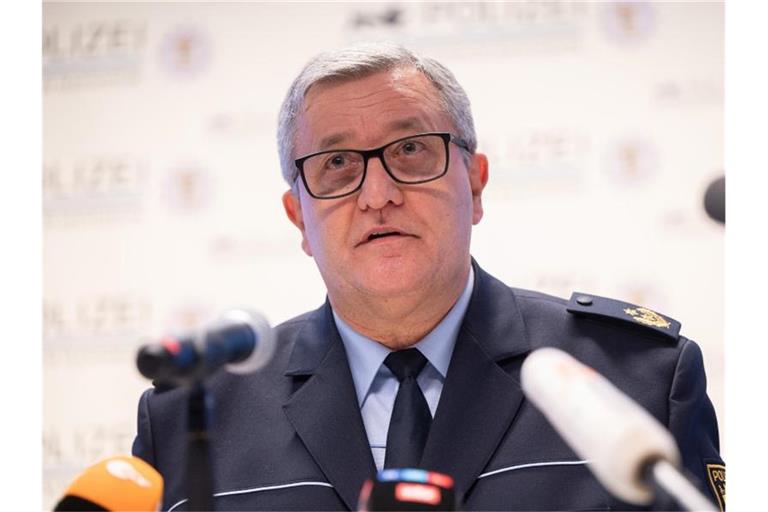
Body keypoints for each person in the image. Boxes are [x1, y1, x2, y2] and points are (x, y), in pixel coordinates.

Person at [133, 42, 724, 511]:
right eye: (336, 164)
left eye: (412, 149)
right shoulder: (193, 423)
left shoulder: (634, 383)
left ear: (475, 183)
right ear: (299, 219)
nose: (378, 194)